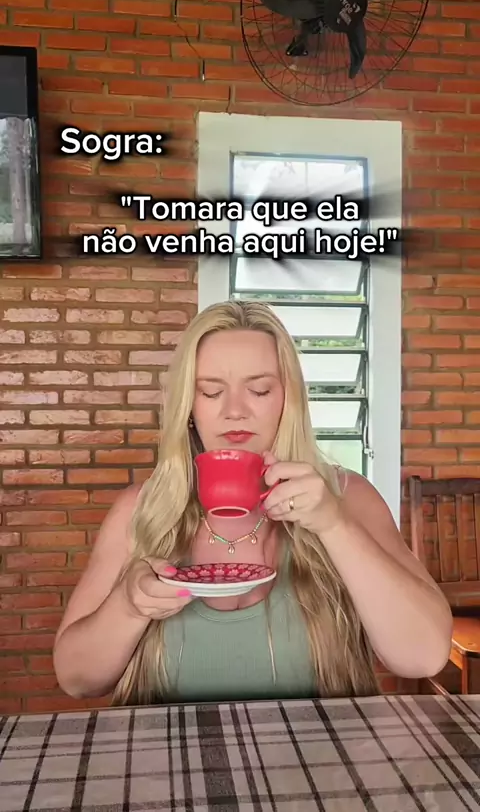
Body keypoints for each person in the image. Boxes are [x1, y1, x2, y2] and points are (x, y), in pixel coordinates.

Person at [53, 300, 452, 705]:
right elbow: (76, 680)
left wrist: (335, 525)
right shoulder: (139, 510)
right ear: (189, 407)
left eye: (259, 390)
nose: (235, 412)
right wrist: (128, 606)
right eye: (211, 391)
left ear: (287, 400)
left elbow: (423, 656)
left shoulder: (348, 496)